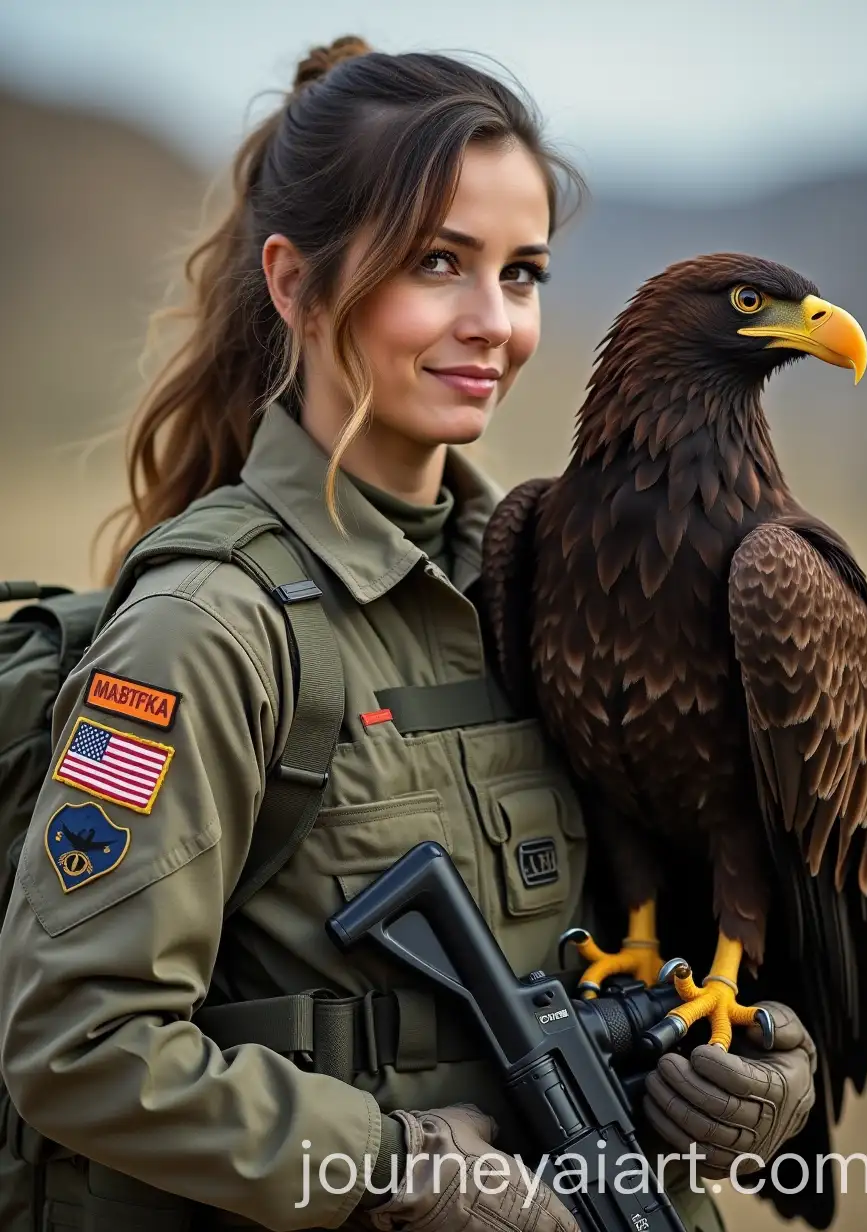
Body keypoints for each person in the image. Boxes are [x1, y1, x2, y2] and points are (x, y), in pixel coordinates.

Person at [0, 35, 817, 1232]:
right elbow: (78, 1044)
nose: (492, 321)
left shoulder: (550, 587)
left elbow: (622, 940)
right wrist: (391, 1169)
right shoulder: (208, 629)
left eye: (524, 272)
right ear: (295, 283)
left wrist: (736, 1068)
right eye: (439, 262)